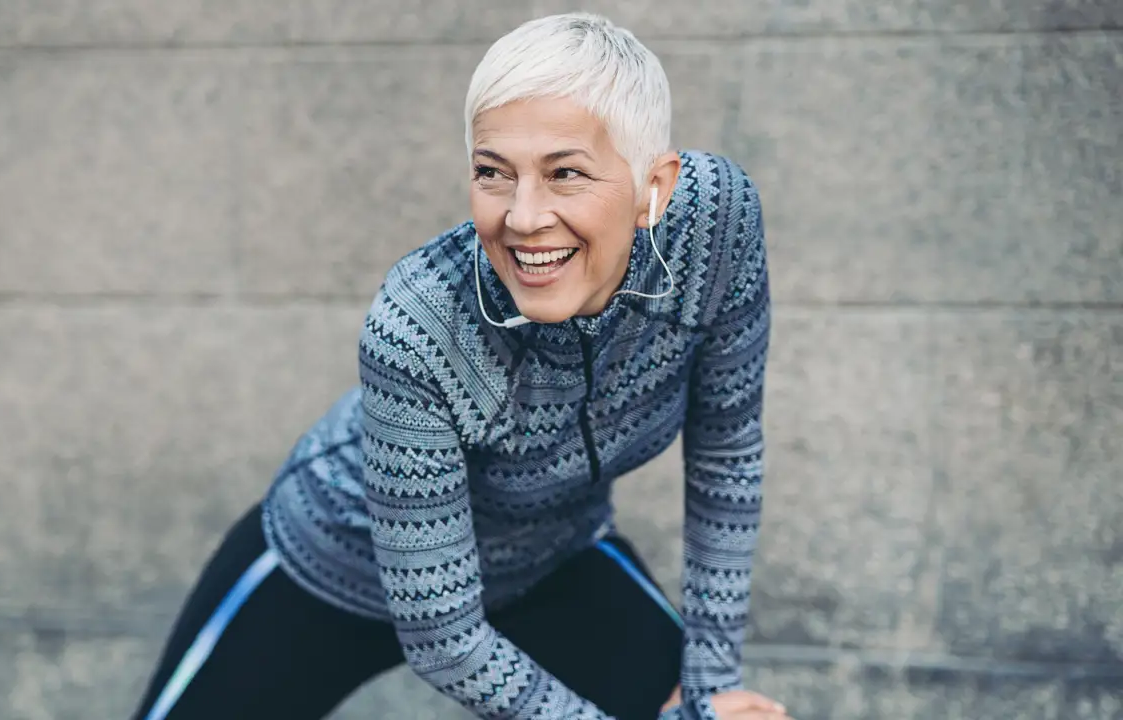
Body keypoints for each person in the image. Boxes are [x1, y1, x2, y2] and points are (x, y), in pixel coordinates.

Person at [131, 12, 788, 720]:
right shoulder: (418, 323)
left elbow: (726, 451)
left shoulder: (716, 227)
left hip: (551, 562)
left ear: (653, 188)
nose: (524, 216)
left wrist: (708, 697)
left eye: (566, 173)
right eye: (492, 173)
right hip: (334, 562)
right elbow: (444, 640)